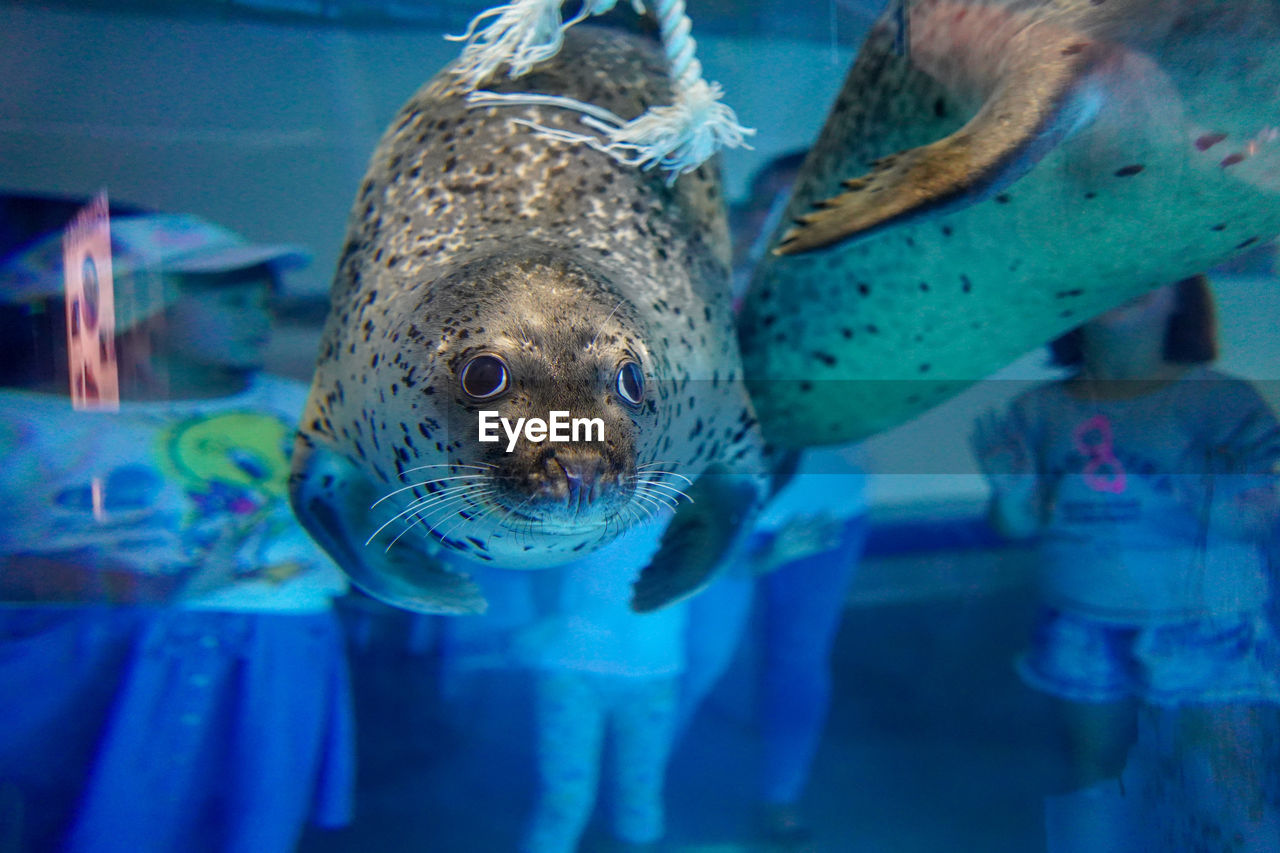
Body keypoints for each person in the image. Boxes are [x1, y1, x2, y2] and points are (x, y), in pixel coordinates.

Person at [0, 210, 353, 852]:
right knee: (65, 814)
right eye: (235, 301)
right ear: (129, 309)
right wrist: (125, 585)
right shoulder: (23, 424)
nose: (262, 317)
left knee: (239, 821)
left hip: (270, 648)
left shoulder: (299, 409)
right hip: (82, 651)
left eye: (266, 301)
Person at [971, 277, 1280, 852]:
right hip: (1082, 620)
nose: (1126, 284)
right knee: (1094, 772)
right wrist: (1011, 493)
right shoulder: (1038, 408)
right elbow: (1019, 524)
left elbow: (1264, 516)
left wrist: (1215, 503)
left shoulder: (1224, 399)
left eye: (1149, 274)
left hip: (1206, 621)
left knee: (1222, 780)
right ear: (1072, 299)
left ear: (1181, 298)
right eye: (1108, 273)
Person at [678, 151, 871, 845]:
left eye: (804, 205)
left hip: (823, 509)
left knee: (798, 657)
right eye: (767, 201)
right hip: (712, 509)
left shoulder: (858, 292)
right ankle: (639, 782)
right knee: (691, 657)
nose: (776, 220)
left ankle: (779, 797)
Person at [514, 514, 690, 853]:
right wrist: (544, 616)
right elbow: (543, 554)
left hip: (650, 671)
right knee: (568, 797)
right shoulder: (586, 489)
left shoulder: (688, 492)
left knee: (637, 792)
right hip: (573, 666)